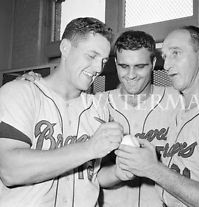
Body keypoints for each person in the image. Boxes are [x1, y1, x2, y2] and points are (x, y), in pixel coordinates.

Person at [97, 30, 199, 207]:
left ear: (153, 63)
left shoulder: (180, 98)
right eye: (123, 66)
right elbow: (88, 176)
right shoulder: (97, 104)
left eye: (140, 66)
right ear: (115, 63)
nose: (131, 75)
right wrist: (117, 172)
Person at [0, 17, 124, 207]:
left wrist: (118, 173)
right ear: (65, 48)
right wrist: (88, 148)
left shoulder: (99, 108)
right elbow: (9, 169)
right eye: (91, 56)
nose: (98, 68)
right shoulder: (20, 93)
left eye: (104, 60)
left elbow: (93, 175)